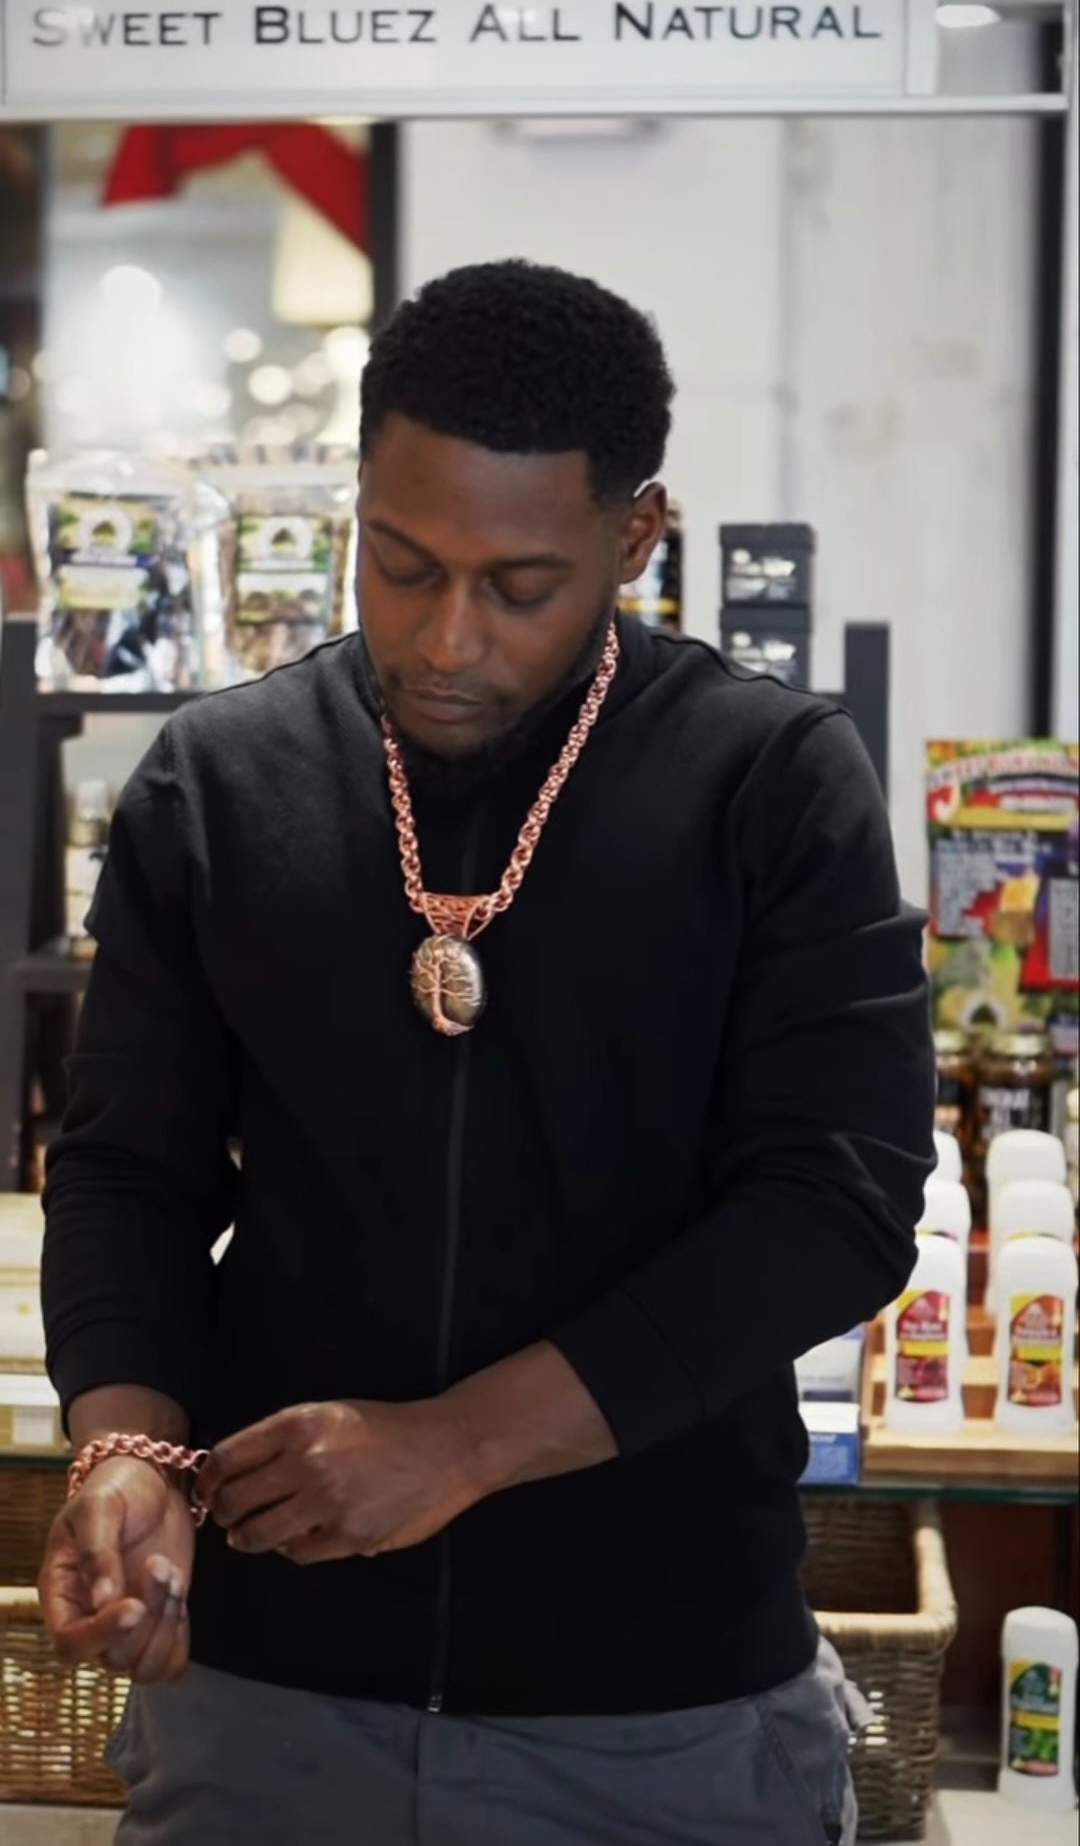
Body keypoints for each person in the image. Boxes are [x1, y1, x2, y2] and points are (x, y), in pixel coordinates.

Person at [39, 260, 934, 1845]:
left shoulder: (768, 784)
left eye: (520, 587)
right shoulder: (222, 785)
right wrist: (122, 1443)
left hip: (659, 1711)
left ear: (636, 538)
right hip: (262, 1694)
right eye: (400, 565)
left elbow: (835, 1204)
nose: (447, 637)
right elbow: (129, 1173)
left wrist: (455, 1446)